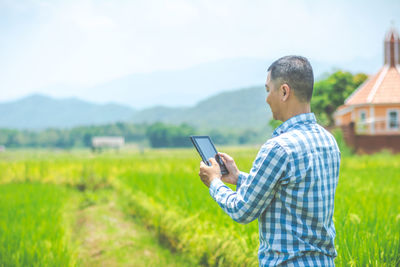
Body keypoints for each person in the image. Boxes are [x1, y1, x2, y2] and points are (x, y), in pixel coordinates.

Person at [199, 55, 340, 266]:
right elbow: (290, 192)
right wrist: (238, 178)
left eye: (268, 90)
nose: (266, 99)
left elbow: (243, 210)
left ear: (284, 91)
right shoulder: (328, 140)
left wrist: (214, 182)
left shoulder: (278, 147)